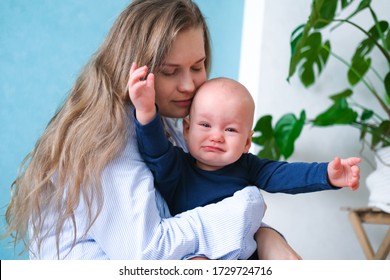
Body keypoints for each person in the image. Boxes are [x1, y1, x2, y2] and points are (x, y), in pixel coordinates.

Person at [4, 0, 302, 260]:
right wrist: (248, 210)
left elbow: (192, 206)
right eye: (171, 72)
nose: (189, 85)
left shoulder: (162, 123)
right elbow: (147, 254)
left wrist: (264, 236)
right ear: (134, 69)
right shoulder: (109, 138)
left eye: (197, 67)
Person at [129, 74, 361, 259]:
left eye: (230, 129)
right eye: (205, 124)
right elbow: (155, 149)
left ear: (247, 142)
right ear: (187, 130)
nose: (216, 136)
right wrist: (146, 112)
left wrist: (326, 175)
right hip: (193, 256)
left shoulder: (248, 167)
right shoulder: (177, 166)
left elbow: (285, 174)